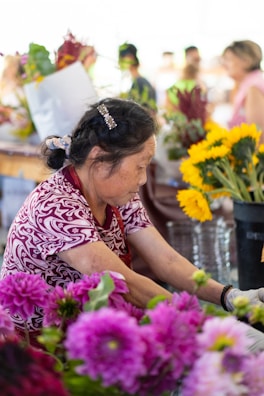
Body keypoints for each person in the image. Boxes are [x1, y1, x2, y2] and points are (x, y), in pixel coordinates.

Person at [1, 97, 264, 350]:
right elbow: (125, 283)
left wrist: (229, 296)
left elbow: (165, 259)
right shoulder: (56, 206)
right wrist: (209, 328)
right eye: (140, 166)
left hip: (91, 332)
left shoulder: (115, 194)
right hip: (39, 346)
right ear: (99, 158)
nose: (143, 180)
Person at [221, 40, 264, 142]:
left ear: (246, 61)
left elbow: (259, 135)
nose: (224, 65)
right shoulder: (248, 83)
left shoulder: (253, 86)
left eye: (229, 59)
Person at [118, 43, 157, 112]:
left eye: (121, 58)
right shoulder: (137, 82)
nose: (119, 62)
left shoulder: (140, 83)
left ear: (130, 57)